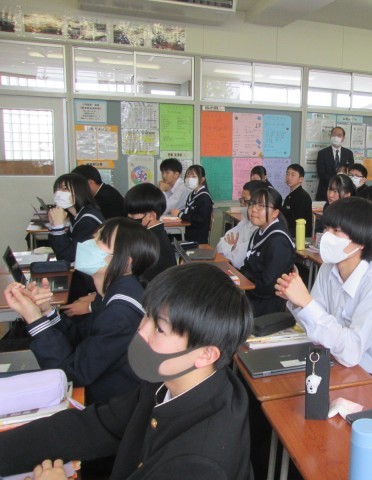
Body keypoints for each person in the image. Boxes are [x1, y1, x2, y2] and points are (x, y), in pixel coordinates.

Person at [0, 263, 253, 480]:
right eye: (147, 316)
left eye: (160, 329)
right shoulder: (171, 380)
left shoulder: (198, 462)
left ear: (206, 354)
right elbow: (96, 426)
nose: (141, 331)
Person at [3, 218, 158, 404]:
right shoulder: (112, 292)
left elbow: (70, 374)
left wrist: (35, 320)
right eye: (94, 237)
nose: (88, 244)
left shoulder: (120, 313)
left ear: (125, 263)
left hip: (110, 406)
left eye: (100, 240)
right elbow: (83, 340)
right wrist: (46, 312)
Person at [276, 197, 372, 389]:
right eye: (327, 229)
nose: (327, 236)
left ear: (361, 241)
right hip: (333, 357)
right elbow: (315, 326)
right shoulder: (328, 269)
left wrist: (307, 303)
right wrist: (297, 301)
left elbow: (352, 352)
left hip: (370, 372)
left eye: (336, 231)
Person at [48, 173, 104, 300]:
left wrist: (58, 227)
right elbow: (61, 250)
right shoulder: (77, 215)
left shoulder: (88, 220)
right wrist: (54, 225)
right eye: (57, 189)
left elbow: (69, 257)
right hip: (83, 276)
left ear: (79, 192)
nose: (59, 193)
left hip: (92, 285)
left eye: (65, 189)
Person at [241, 187, 296, 316]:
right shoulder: (259, 232)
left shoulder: (279, 241)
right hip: (252, 295)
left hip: (267, 305)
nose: (254, 209)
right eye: (252, 204)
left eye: (261, 206)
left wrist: (246, 281)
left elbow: (267, 286)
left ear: (275, 213)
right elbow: (248, 266)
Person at [125, 183, 176, 283]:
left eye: (133, 213)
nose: (129, 216)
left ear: (151, 216)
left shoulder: (151, 245)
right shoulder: (151, 235)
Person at [216, 180, 262, 268]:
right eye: (241, 200)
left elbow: (239, 261)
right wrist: (234, 248)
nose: (242, 205)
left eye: (245, 201)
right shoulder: (244, 222)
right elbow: (219, 245)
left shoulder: (260, 229)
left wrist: (232, 247)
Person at [171, 165, 214, 245]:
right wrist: (180, 212)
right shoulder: (192, 194)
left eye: (193, 176)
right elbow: (189, 211)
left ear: (202, 179)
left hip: (197, 238)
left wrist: (180, 214)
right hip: (188, 232)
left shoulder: (205, 197)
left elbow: (200, 220)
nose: (189, 179)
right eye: (187, 176)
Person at [316, 126, 354, 201]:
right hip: (325, 192)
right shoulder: (322, 153)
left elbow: (351, 171)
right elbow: (321, 174)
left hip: (343, 193)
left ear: (343, 138)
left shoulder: (348, 153)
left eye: (339, 135)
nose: (336, 137)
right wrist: (335, 183)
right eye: (334, 134)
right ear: (330, 136)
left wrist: (345, 170)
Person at [282, 164, 313, 237]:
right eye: (287, 174)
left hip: (299, 235)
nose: (289, 177)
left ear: (301, 179)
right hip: (289, 231)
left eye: (293, 175)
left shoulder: (303, 197)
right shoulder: (290, 196)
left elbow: (297, 220)